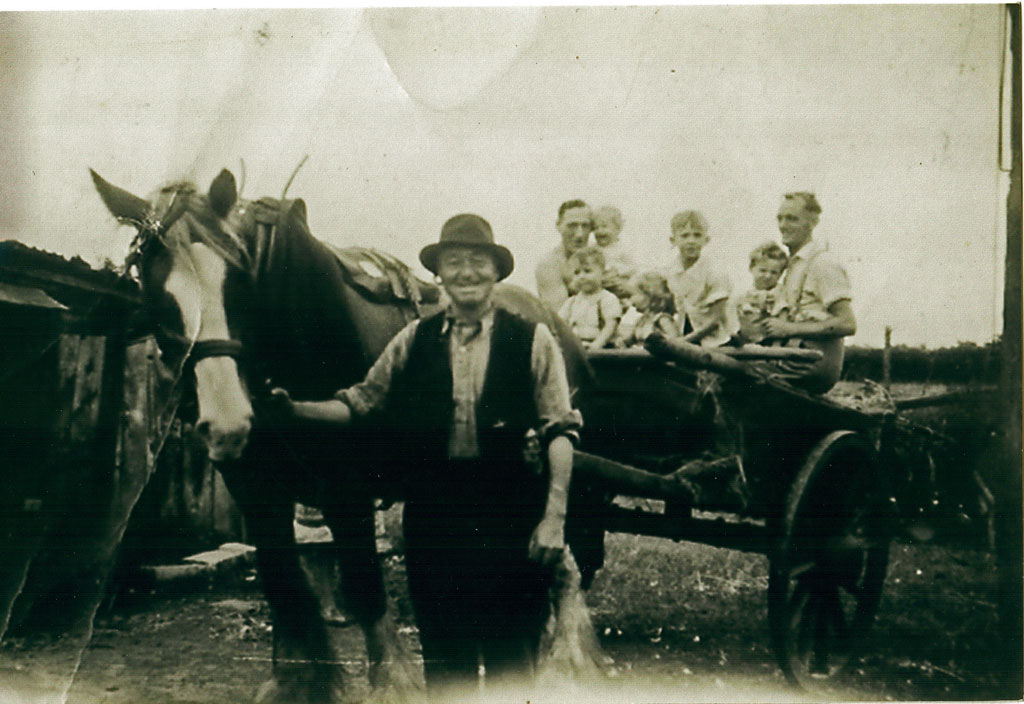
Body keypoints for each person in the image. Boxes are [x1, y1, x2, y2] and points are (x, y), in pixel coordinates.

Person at [272, 214, 583, 699]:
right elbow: (360, 402)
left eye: (477, 262)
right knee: (446, 660)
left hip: (510, 517)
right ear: (439, 274)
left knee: (512, 657)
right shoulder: (413, 340)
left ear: (496, 271)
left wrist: (554, 518)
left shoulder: (533, 339)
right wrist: (294, 409)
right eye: (454, 262)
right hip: (435, 521)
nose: (466, 272)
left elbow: (559, 430)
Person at [755, 192, 856, 393]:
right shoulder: (793, 266)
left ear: (812, 222)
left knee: (732, 375)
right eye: (780, 218)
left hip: (810, 363)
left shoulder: (823, 263)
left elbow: (847, 323)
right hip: (789, 356)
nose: (783, 225)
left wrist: (789, 329)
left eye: (792, 219)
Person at [662, 209, 736, 347]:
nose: (691, 241)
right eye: (684, 236)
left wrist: (684, 342)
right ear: (673, 240)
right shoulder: (670, 272)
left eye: (697, 235)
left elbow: (715, 321)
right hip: (685, 334)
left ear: (706, 240)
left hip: (716, 340)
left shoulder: (715, 273)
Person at [558, 246, 623, 350]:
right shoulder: (572, 302)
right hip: (578, 347)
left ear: (602, 273)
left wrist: (597, 344)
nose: (581, 276)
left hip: (603, 347)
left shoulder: (607, 299)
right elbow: (560, 324)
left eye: (587, 271)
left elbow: (610, 326)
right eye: (577, 272)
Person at [535, 200, 593, 311]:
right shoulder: (549, 265)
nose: (579, 234)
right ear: (559, 225)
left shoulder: (602, 257)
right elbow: (559, 315)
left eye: (585, 226)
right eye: (572, 226)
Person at [735, 241, 789, 344]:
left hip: (770, 339)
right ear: (751, 268)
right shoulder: (745, 294)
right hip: (747, 338)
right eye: (763, 270)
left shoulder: (780, 293)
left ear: (780, 274)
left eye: (774, 272)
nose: (768, 276)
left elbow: (783, 320)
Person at [616, 271, 679, 348]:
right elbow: (632, 339)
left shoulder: (662, 320)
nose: (631, 300)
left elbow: (676, 343)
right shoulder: (641, 321)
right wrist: (623, 341)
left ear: (650, 296)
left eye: (632, 295)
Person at [591, 205, 637, 302]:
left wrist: (618, 271)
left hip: (618, 286)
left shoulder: (622, 249)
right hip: (600, 287)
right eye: (595, 228)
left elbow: (632, 268)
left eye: (604, 226)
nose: (599, 231)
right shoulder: (593, 249)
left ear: (617, 229)